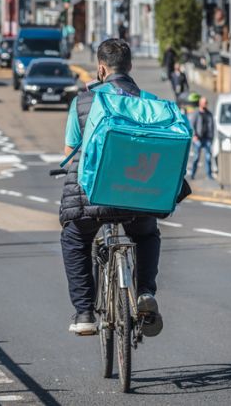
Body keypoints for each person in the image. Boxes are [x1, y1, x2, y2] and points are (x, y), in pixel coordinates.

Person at [61, 39, 163, 337]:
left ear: (100, 69)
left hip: (91, 196)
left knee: (75, 239)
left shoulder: (82, 101)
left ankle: (84, 313)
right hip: (137, 194)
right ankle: (145, 291)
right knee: (146, 234)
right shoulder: (148, 103)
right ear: (130, 67)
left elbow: (69, 152)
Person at [190, 96, 215, 180]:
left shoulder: (209, 114)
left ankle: (209, 175)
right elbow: (191, 125)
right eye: (203, 103)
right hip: (198, 138)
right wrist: (194, 136)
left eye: (206, 102)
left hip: (207, 138)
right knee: (196, 157)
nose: (205, 104)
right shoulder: (196, 113)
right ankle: (192, 174)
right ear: (200, 103)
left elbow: (212, 126)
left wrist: (211, 138)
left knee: (208, 157)